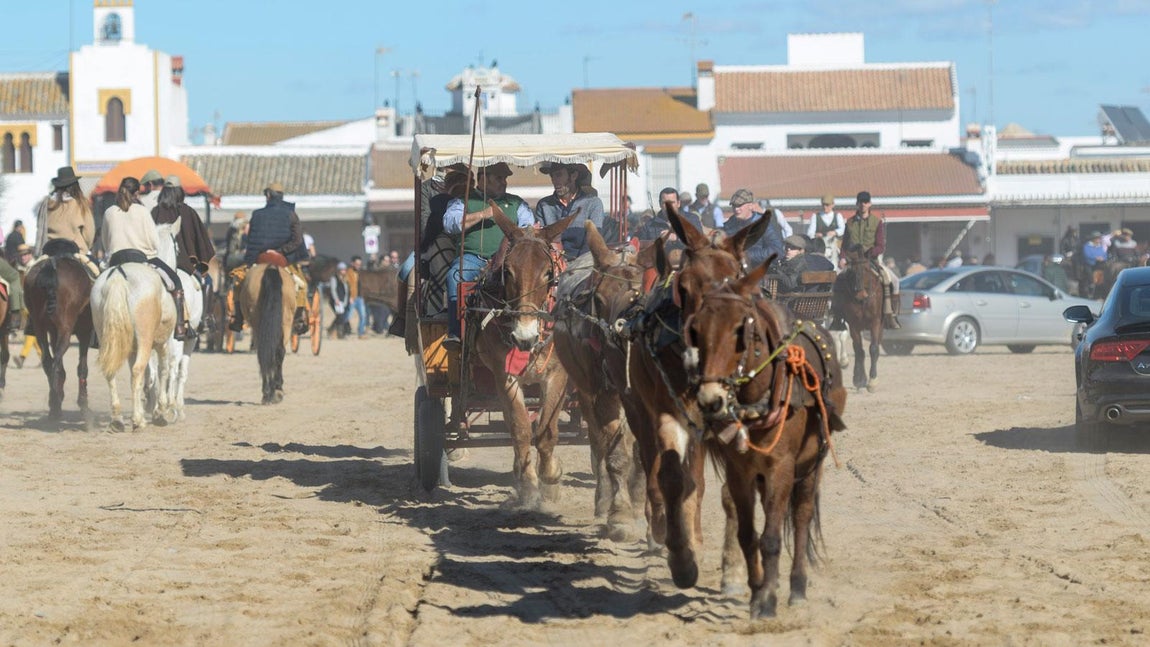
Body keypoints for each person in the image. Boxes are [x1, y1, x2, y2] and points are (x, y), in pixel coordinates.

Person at [443, 162, 535, 344]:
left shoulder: (516, 203)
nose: (504, 182)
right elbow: (450, 223)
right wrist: (482, 214)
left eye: (505, 178)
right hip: (473, 260)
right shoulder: (463, 200)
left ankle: (529, 326)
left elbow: (528, 227)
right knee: (455, 277)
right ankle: (456, 332)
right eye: (499, 178)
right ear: (483, 179)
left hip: (507, 262)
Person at [101, 176, 189, 340]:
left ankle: (95, 333)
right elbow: (154, 241)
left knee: (97, 288)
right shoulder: (142, 211)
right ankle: (180, 327)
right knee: (176, 282)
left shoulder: (109, 212)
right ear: (137, 193)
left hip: (115, 260)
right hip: (141, 257)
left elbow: (105, 242)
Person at [229, 182, 311, 334]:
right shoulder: (291, 214)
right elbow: (298, 240)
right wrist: (281, 251)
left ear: (268, 195)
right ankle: (299, 318)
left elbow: (252, 242)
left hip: (260, 259)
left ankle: (238, 317)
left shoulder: (257, 214)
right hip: (282, 260)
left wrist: (249, 262)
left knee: (238, 282)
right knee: (302, 286)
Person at [837, 190, 900, 329]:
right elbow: (844, 244)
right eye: (861, 202)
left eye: (865, 202)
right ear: (857, 204)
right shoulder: (850, 222)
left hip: (872, 261)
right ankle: (837, 316)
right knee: (838, 281)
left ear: (870, 204)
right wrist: (842, 258)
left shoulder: (877, 222)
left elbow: (880, 246)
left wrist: (871, 253)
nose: (863, 205)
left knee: (894, 281)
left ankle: (890, 314)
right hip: (853, 262)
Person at [534, 162, 605, 261]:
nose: (554, 181)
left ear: (574, 176)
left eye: (559, 175)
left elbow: (593, 241)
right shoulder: (544, 205)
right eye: (552, 176)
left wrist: (578, 265)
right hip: (553, 263)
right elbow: (541, 242)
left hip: (584, 263)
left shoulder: (593, 203)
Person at [34, 166, 99, 274]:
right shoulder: (81, 204)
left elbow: (40, 229)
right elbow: (89, 234)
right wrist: (87, 246)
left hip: (50, 251)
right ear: (75, 185)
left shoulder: (46, 204)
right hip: (76, 251)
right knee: (97, 274)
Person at [150, 175, 215, 277]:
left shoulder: (155, 212)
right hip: (188, 266)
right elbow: (201, 241)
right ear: (179, 192)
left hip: (159, 264)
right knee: (208, 281)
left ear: (163, 193)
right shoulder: (188, 212)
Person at [721, 188, 784, 271]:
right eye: (734, 205)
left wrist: (747, 255)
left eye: (740, 205)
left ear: (750, 206)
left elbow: (777, 251)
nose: (736, 209)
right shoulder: (728, 226)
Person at [634, 186, 704, 246]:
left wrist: (676, 238)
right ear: (660, 204)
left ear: (678, 203)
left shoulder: (691, 220)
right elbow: (642, 247)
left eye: (672, 202)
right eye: (665, 203)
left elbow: (699, 241)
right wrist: (658, 241)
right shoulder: (650, 225)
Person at [12, 244, 41, 368]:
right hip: (24, 305)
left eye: (25, 255)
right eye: (21, 255)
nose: (23, 257)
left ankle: (22, 357)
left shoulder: (36, 267)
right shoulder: (21, 268)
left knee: (30, 332)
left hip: (34, 305)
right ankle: (43, 356)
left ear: (30, 254)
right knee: (32, 334)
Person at [805, 194, 845, 266]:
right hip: (820, 247)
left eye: (827, 205)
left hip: (834, 245)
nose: (825, 207)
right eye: (823, 205)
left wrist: (835, 232)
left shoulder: (838, 216)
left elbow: (842, 229)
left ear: (833, 205)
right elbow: (810, 232)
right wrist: (815, 235)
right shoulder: (816, 216)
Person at [327, 262, 350, 339]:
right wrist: (336, 299)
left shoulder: (345, 279)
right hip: (336, 301)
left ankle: (331, 330)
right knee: (340, 317)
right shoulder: (334, 278)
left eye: (344, 270)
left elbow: (346, 290)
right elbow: (333, 290)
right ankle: (340, 334)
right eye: (342, 270)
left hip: (344, 301)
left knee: (340, 317)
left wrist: (347, 300)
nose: (344, 271)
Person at [347, 255, 369, 339]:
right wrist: (350, 297)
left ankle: (361, 333)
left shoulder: (361, 273)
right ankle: (344, 331)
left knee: (363, 316)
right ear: (352, 263)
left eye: (360, 264)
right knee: (348, 316)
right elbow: (347, 286)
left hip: (360, 298)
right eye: (357, 264)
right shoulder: (348, 272)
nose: (358, 266)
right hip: (352, 297)